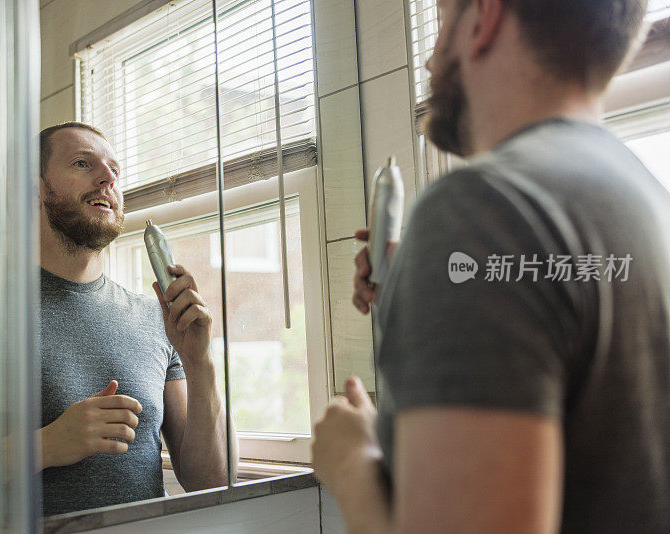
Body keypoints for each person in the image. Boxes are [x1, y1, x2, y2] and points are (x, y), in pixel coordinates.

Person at [312, 0, 670, 532]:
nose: (430, 59)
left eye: (440, 20)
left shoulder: (483, 209)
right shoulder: (647, 202)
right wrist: (437, 290)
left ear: (484, 16)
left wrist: (353, 466)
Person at [36, 122, 230, 516]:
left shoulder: (155, 318)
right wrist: (46, 445)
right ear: (35, 187)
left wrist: (200, 361)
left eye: (114, 171)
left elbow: (208, 480)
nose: (107, 177)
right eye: (81, 163)